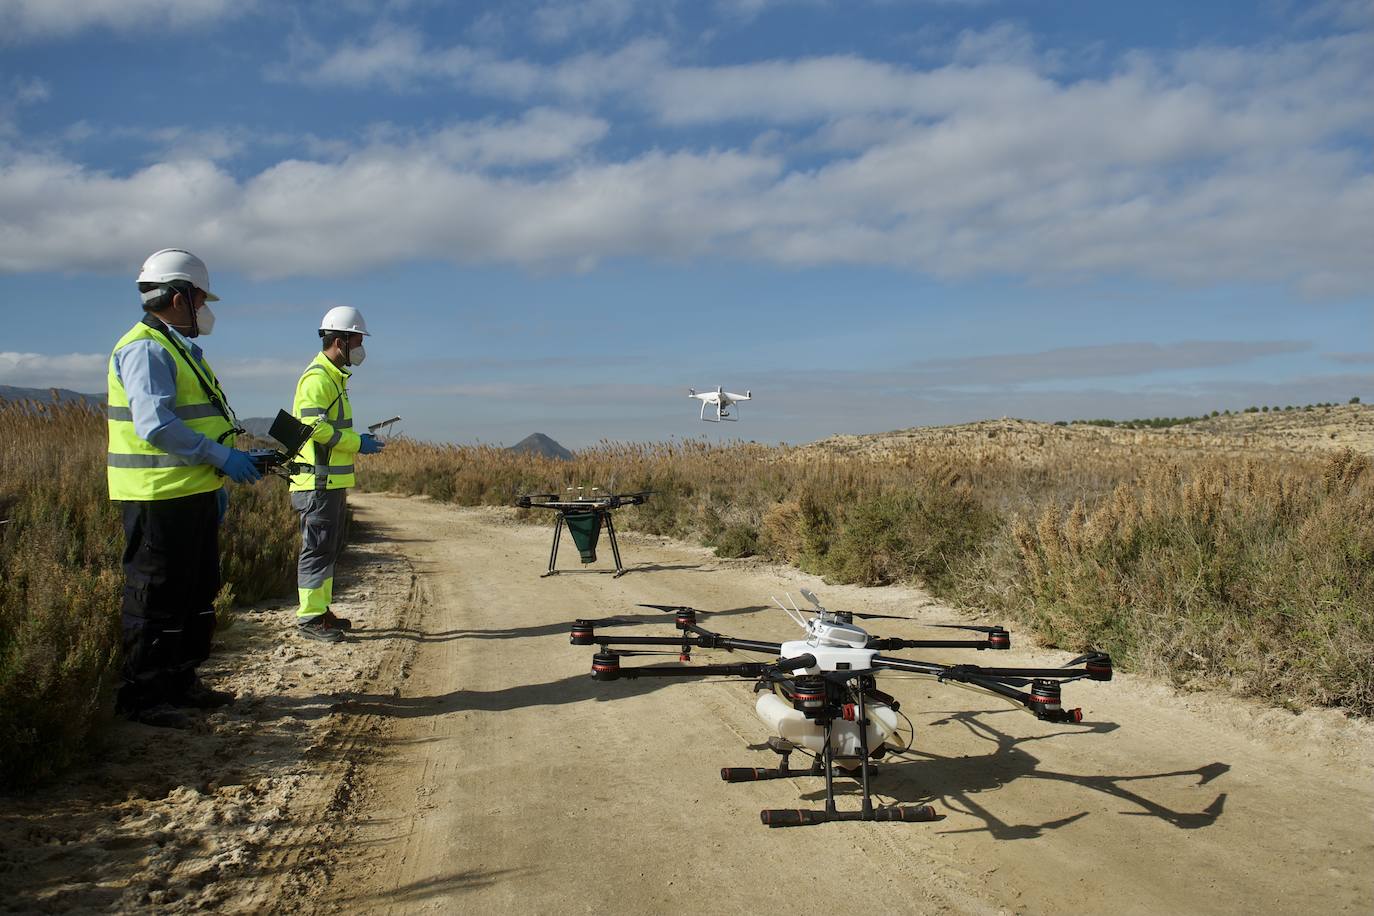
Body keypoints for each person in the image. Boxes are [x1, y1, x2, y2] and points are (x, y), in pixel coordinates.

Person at [107, 248, 263, 729]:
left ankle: (181, 681)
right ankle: (145, 697)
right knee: (155, 597)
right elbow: (155, 425)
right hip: (158, 496)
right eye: (200, 298)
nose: (205, 309)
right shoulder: (145, 349)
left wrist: (224, 465)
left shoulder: (174, 348)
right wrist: (222, 458)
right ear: (179, 298)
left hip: (190, 491)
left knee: (195, 591)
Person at [290, 306, 385, 643]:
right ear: (340, 340)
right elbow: (313, 427)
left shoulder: (333, 377)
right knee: (316, 549)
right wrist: (356, 442)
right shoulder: (318, 378)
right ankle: (310, 619)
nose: (360, 347)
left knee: (326, 549)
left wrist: (356, 441)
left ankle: (321, 612)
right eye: (357, 339)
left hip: (328, 481)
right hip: (317, 482)